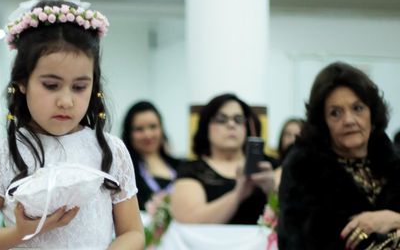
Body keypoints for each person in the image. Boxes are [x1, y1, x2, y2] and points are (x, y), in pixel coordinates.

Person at [0, 0, 144, 249]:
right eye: (51, 85)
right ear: (22, 82)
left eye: (79, 87)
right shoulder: (4, 154)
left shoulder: (111, 151)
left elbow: (133, 232)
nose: (66, 100)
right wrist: (20, 232)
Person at [278, 62, 400, 250]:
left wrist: (392, 219)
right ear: (323, 121)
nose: (349, 120)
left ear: (372, 113)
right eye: (335, 113)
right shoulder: (304, 168)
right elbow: (297, 243)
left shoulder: (394, 161)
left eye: (357, 108)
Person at [171, 93, 276, 225]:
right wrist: (238, 194)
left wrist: (272, 191)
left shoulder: (269, 166)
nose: (231, 125)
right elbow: (189, 222)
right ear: (206, 126)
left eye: (238, 119)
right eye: (221, 119)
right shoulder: (190, 170)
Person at [121, 100, 182, 211]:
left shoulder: (182, 166)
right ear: (129, 134)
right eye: (139, 129)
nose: (148, 134)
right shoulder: (124, 172)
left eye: (153, 127)